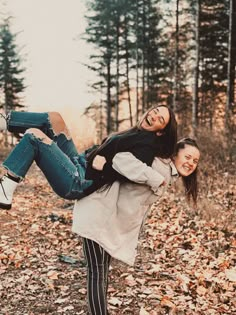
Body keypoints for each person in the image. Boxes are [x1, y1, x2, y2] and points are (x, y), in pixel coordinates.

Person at [72, 137, 200, 315]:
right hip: (97, 210)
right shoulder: (157, 165)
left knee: (101, 270)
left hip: (108, 218)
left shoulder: (168, 173)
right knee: (97, 270)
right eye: (187, 157)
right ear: (175, 153)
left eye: (195, 160)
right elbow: (121, 159)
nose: (191, 163)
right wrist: (153, 177)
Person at [0, 106, 177, 210]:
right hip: (80, 162)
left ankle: (6, 188)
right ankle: (4, 121)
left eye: (160, 119)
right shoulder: (137, 133)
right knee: (55, 119)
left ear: (160, 131)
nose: (153, 116)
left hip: (79, 180)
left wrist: (104, 168)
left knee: (34, 136)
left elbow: (132, 170)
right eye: (155, 111)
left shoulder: (147, 145)